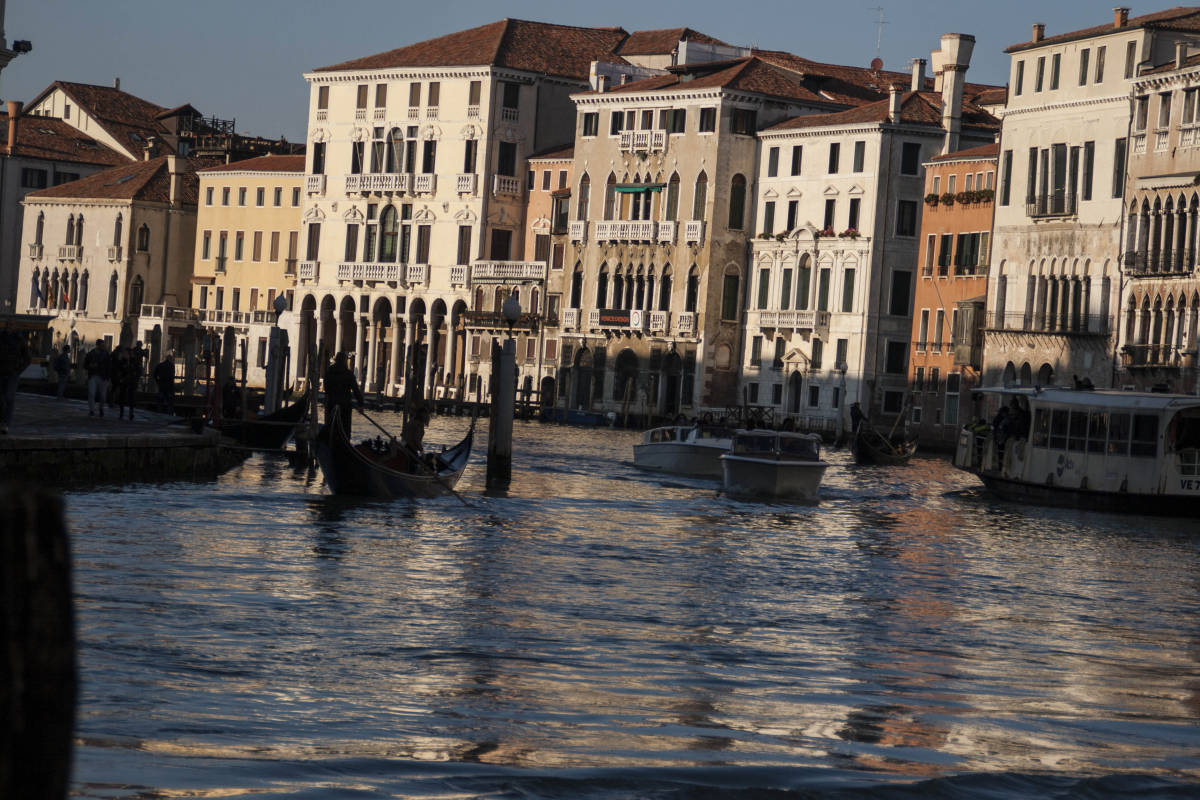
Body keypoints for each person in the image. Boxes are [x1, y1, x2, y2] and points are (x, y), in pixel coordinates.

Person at [0, 323, 32, 434]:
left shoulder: (19, 340)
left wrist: (18, 370)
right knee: (2, 399)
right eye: (8, 326)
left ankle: (5, 423)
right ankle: (2, 422)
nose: (9, 328)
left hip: (13, 374)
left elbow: (27, 358)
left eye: (11, 326)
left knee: (9, 398)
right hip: (2, 372)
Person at [323, 351, 363, 435]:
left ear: (336, 360)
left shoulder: (329, 372)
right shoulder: (348, 374)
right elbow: (356, 390)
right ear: (344, 361)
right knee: (345, 431)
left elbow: (326, 388)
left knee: (330, 429)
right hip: (345, 406)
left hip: (331, 404)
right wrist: (361, 405)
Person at [83, 340, 111, 417]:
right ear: (97, 345)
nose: (103, 346)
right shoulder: (90, 354)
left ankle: (101, 407)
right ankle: (91, 410)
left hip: (103, 377)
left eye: (103, 345)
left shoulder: (106, 355)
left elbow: (109, 366)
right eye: (102, 345)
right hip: (93, 376)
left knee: (103, 395)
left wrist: (108, 378)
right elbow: (85, 365)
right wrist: (90, 366)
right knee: (91, 393)